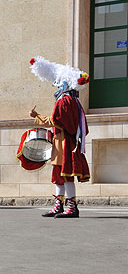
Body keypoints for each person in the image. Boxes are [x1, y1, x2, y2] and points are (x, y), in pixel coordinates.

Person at [28, 56, 90, 218]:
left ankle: (71, 206)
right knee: (59, 175)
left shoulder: (64, 101)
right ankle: (59, 205)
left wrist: (38, 117)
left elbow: (56, 121)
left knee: (66, 175)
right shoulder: (71, 100)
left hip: (64, 143)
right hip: (62, 142)